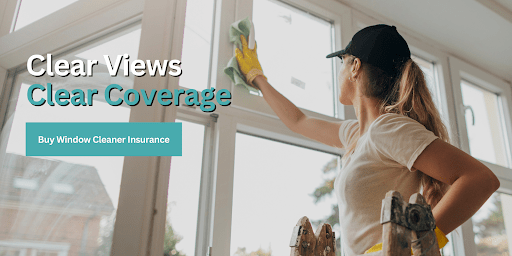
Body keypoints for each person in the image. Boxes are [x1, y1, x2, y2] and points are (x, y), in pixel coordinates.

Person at [235, 24, 501, 255]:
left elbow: (480, 179)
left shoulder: (387, 128)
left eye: (342, 63)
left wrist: (412, 246)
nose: (338, 72)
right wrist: (256, 77)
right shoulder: (357, 135)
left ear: (355, 67)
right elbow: (298, 121)